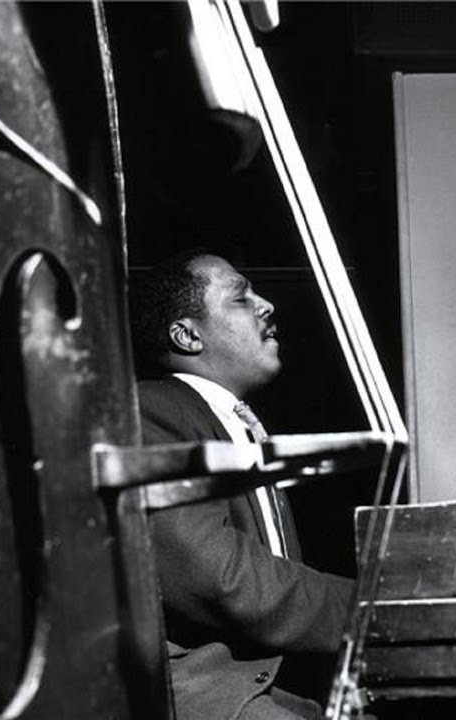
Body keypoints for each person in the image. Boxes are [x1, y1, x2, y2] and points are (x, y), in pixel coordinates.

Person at [129, 249, 354, 720]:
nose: (266, 305)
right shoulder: (152, 411)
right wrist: (368, 607)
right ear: (188, 335)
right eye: (240, 297)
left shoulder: (235, 425)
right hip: (205, 696)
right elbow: (221, 578)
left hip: (277, 691)